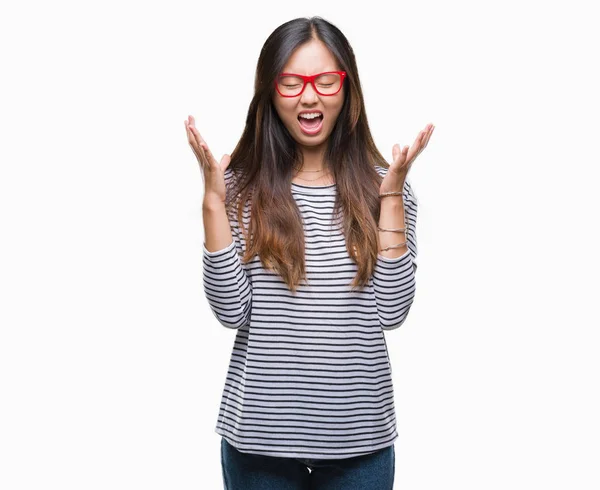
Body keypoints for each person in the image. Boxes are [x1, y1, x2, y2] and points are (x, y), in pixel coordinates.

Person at [185, 16, 434, 490]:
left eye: (325, 80)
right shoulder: (241, 188)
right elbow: (231, 311)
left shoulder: (384, 188)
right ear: (270, 92)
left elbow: (392, 310)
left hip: (360, 446)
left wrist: (391, 201)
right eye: (291, 82)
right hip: (258, 445)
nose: (309, 96)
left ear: (347, 88)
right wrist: (214, 204)